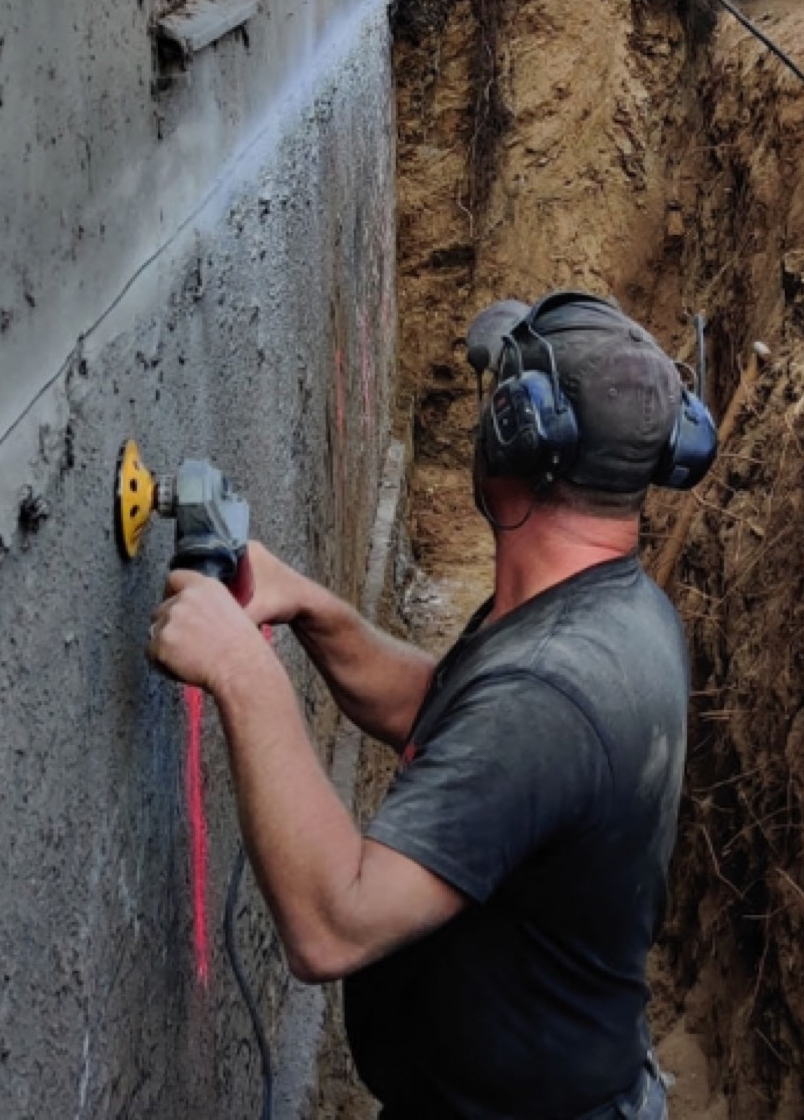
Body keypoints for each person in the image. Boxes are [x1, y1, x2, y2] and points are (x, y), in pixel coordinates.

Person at [148, 289, 716, 1120]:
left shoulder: (546, 696)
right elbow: (450, 714)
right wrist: (310, 607)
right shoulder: (609, 609)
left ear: (516, 437)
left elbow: (331, 923)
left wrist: (242, 669)